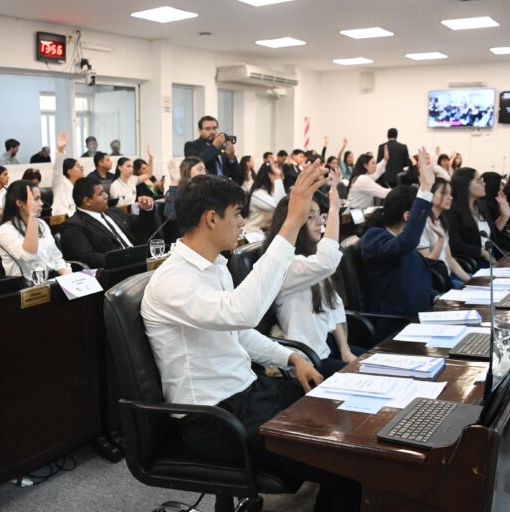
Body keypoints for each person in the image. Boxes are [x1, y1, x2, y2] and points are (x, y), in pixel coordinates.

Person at [141, 169, 362, 512]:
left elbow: (240, 334)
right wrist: (289, 225)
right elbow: (241, 314)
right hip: (214, 419)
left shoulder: (216, 266)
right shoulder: (172, 281)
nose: (243, 223)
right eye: (238, 214)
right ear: (211, 219)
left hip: (249, 394)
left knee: (343, 422)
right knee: (345, 467)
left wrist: (292, 358)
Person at [265, 173, 365, 377]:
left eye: (320, 215)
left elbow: (333, 305)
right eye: (310, 217)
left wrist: (345, 350)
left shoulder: (311, 256)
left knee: (380, 364)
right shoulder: (286, 265)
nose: (320, 222)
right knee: (370, 378)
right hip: (309, 359)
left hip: (329, 347)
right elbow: (326, 262)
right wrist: (335, 208)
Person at [361, 148, 436, 342]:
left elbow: (416, 279)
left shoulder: (398, 238)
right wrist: (425, 190)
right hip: (396, 326)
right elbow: (408, 242)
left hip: (419, 317)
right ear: (408, 217)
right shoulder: (375, 237)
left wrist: (437, 297)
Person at [60, 177, 142, 268]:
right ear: (87, 201)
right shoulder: (73, 226)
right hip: (114, 271)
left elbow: (140, 225)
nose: (106, 195)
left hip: (140, 261)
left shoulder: (115, 212)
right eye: (100, 194)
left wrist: (146, 210)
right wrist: (123, 259)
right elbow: (87, 257)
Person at [0, 180, 68, 278]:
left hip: (52, 280)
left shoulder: (41, 224)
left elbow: (56, 257)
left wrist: (68, 277)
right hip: (27, 288)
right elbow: (28, 255)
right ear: (20, 203)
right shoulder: (5, 231)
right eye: (36, 199)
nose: (41, 203)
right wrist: (32, 214)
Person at [446, 167, 510, 268]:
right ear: (465, 185)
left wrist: (504, 216)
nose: (484, 184)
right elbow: (455, 245)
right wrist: (482, 252)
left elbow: (491, 236)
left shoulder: (481, 205)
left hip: (491, 256)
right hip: (474, 261)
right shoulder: (453, 210)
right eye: (479, 181)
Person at [417, 178, 472, 289]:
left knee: (483, 285)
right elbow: (428, 263)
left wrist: (469, 280)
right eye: (443, 193)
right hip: (437, 282)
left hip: (448, 276)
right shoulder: (422, 223)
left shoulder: (441, 221)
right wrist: (441, 240)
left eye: (450, 193)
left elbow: (449, 259)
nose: (450, 197)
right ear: (430, 194)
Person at [184, 115, 240, 184]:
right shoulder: (191, 145)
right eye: (208, 129)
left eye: (214, 128)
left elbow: (237, 175)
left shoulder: (222, 146)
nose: (212, 132)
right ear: (200, 130)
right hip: (205, 187)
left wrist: (232, 158)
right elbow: (196, 164)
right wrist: (214, 147)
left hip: (225, 187)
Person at [244, 159, 286, 233]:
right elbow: (280, 206)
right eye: (280, 175)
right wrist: (278, 178)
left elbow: (285, 207)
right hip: (251, 236)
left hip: (264, 235)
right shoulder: (258, 193)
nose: (283, 178)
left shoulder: (273, 193)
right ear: (270, 175)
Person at [164, 157, 206, 221]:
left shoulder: (206, 189)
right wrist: (175, 182)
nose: (204, 173)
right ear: (187, 170)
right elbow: (171, 215)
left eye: (204, 170)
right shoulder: (177, 191)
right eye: (200, 169)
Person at [52, 131, 84, 216]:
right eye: (77, 166)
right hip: (60, 220)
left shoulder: (80, 186)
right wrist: (60, 150)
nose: (81, 168)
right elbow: (57, 169)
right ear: (69, 171)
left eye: (81, 166)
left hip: (77, 219)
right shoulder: (59, 182)